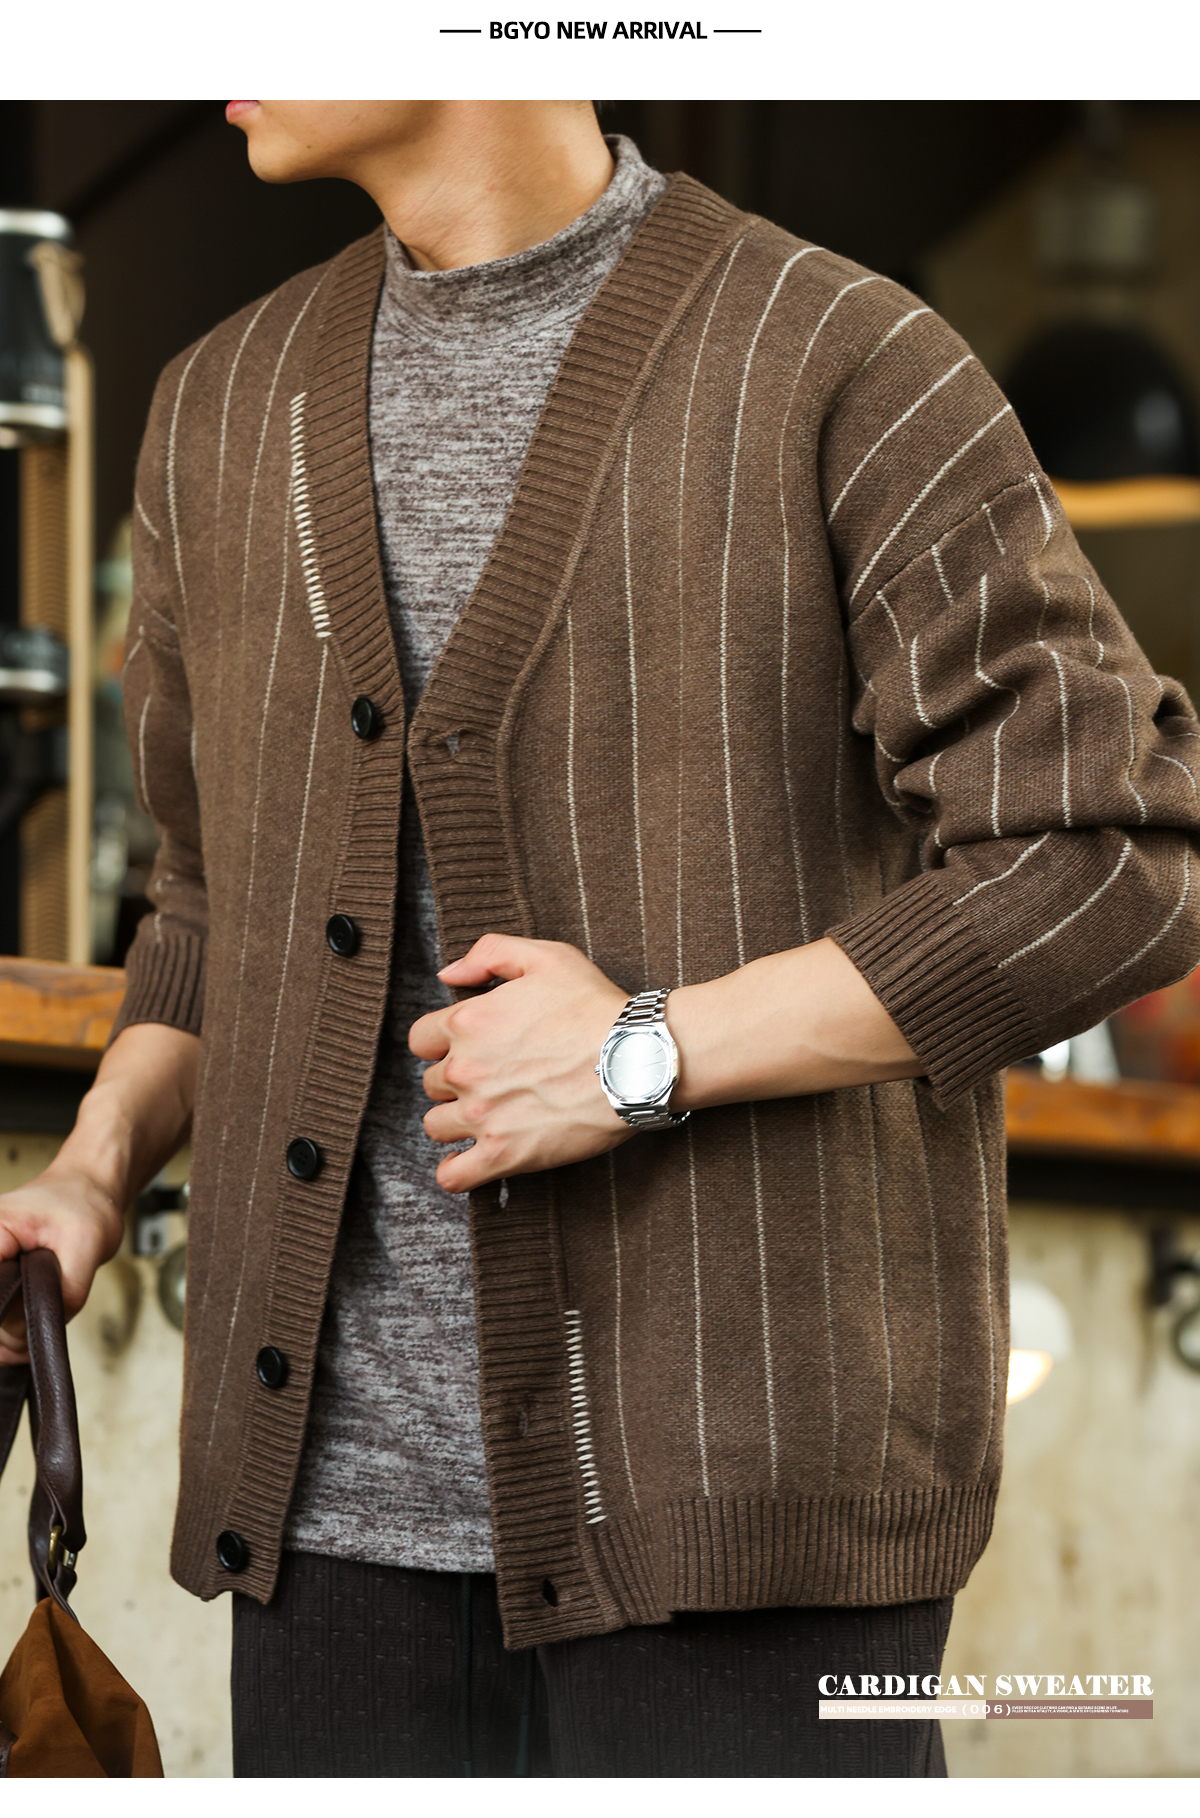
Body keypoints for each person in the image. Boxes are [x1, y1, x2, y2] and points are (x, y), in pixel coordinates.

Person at [2, 100, 1199, 1778]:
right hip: (329, 1539)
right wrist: (94, 1168)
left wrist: (648, 1051)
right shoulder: (220, 404)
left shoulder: (846, 361)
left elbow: (1110, 854)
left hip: (740, 1530)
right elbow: (208, 904)